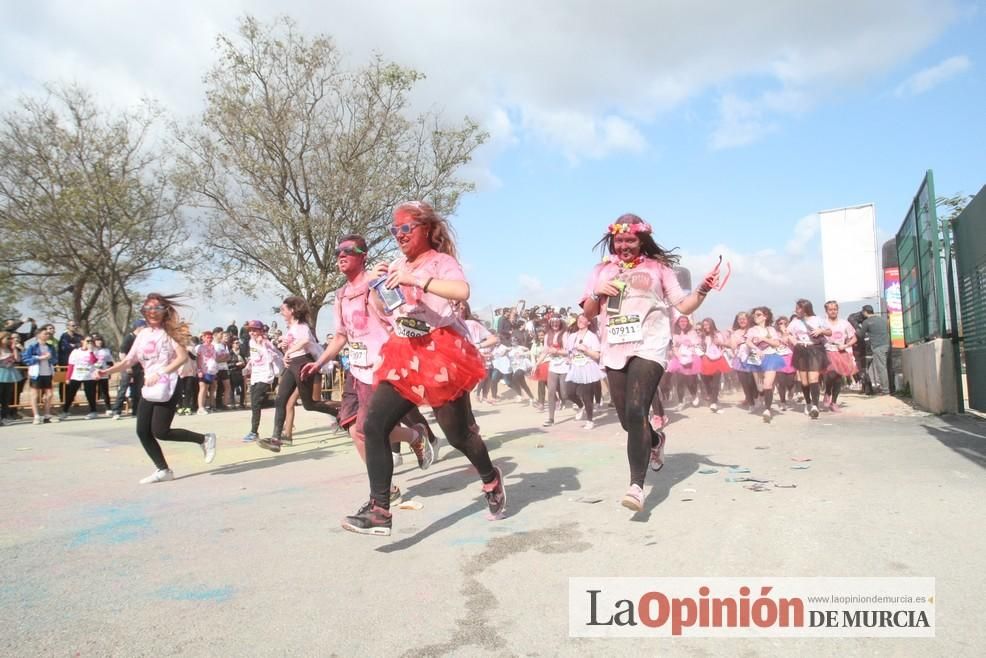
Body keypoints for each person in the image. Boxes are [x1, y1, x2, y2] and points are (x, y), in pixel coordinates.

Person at [340, 201, 504, 536]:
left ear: (426, 229)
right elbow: (391, 313)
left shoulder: (441, 262)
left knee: (457, 435)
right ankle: (380, 510)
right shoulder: (399, 264)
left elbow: (461, 291)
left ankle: (490, 478)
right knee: (373, 425)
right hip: (404, 354)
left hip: (441, 354)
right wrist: (381, 287)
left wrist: (416, 279)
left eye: (406, 228)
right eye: (394, 229)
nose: (399, 235)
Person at [582, 213, 720, 512]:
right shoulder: (601, 270)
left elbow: (683, 306)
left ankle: (636, 486)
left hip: (650, 345)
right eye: (619, 240)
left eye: (630, 239)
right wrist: (597, 292)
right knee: (628, 421)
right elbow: (589, 312)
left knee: (636, 410)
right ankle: (654, 440)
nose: (624, 245)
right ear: (613, 241)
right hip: (614, 348)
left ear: (641, 239)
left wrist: (704, 289)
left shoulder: (658, 268)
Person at [299, 235, 434, 471]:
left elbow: (399, 318)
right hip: (356, 370)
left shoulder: (378, 285)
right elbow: (341, 336)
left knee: (370, 428)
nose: (341, 255)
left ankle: (413, 439)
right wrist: (318, 363)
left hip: (381, 369)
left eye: (348, 250)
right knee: (355, 430)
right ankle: (388, 486)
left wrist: (374, 285)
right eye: (338, 251)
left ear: (363, 256)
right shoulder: (340, 295)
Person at [96, 294, 216, 484]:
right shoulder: (143, 334)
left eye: (157, 308)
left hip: (168, 385)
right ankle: (163, 470)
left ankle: (204, 439)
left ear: (164, 311)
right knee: (142, 431)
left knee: (161, 431)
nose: (152, 312)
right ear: (144, 311)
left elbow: (182, 357)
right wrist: (107, 372)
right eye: (148, 308)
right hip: (150, 388)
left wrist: (161, 373)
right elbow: (129, 360)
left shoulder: (169, 333)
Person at [257, 296, 340, 452]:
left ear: (293, 310)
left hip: (302, 363)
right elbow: (295, 344)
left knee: (309, 404)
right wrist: (284, 346)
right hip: (292, 365)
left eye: (284, 309)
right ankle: (276, 439)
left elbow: (305, 340)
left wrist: (289, 351)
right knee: (281, 399)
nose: (281, 312)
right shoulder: (291, 328)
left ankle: (341, 416)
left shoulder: (302, 325)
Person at [242, 320, 283, 442]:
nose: (252, 332)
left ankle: (254, 432)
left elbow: (273, 357)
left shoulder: (266, 343)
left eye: (255, 330)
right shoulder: (251, 342)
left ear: (261, 331)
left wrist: (264, 346)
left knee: (255, 403)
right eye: (250, 330)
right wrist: (248, 366)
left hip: (266, 375)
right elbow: (254, 358)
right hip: (255, 375)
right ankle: (281, 405)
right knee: (256, 403)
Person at [789, 299, 829, 419]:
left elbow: (829, 331)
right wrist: (795, 342)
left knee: (813, 378)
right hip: (801, 350)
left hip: (815, 349)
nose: (796, 310)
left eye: (798, 308)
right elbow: (788, 334)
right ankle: (808, 402)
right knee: (804, 381)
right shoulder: (795, 322)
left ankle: (815, 406)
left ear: (805, 308)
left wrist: (821, 330)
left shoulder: (817, 319)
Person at [744, 307, 786, 423]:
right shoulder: (752, 330)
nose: (755, 317)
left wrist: (764, 339)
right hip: (757, 358)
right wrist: (756, 348)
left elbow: (777, 343)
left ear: (765, 316)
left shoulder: (771, 330)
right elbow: (748, 342)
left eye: (758, 315)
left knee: (768, 384)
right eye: (754, 315)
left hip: (771, 357)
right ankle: (761, 396)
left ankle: (767, 410)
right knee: (760, 387)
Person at [821, 300, 857, 412]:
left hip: (841, 352)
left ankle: (834, 402)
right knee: (831, 374)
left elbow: (854, 338)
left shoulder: (845, 323)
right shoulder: (822, 323)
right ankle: (827, 391)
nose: (833, 311)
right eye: (830, 310)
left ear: (838, 310)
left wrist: (846, 345)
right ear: (826, 311)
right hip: (827, 350)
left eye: (835, 309)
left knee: (838, 378)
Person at [22, 325, 58, 424]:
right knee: (35, 395)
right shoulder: (32, 346)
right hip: (36, 373)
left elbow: (55, 359)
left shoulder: (50, 347)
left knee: (49, 394)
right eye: (45, 333)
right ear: (38, 335)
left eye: (48, 334)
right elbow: (26, 359)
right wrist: (39, 358)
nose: (47, 335)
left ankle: (47, 414)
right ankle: (36, 415)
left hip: (47, 372)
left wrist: (50, 358)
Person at [110, 320, 146, 419]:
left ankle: (136, 410)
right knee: (123, 388)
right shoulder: (129, 337)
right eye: (144, 327)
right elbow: (122, 353)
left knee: (138, 390)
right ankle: (116, 411)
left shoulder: (142, 339)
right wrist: (127, 366)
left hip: (139, 368)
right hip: (128, 367)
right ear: (138, 327)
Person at [61, 335, 99, 419]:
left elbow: (93, 361)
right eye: (87, 341)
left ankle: (93, 411)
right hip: (76, 375)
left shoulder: (94, 351)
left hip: (89, 376)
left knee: (90, 394)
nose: (89, 343)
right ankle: (65, 411)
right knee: (71, 394)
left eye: (91, 341)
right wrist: (68, 377)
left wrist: (90, 351)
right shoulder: (75, 352)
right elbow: (71, 365)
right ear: (82, 341)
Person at [697, 318, 730, 413]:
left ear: (712, 324)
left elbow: (725, 345)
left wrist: (720, 343)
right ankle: (711, 396)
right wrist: (702, 354)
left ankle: (714, 402)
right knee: (707, 381)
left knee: (716, 381)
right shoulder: (702, 336)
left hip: (718, 359)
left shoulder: (718, 334)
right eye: (704, 325)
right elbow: (697, 347)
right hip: (706, 359)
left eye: (708, 324)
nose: (706, 326)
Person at [860, 305, 890, 393]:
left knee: (881, 368)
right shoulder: (882, 319)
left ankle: (885, 390)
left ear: (865, 312)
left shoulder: (867, 322)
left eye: (863, 312)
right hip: (887, 345)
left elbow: (861, 335)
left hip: (878, 347)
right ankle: (891, 388)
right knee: (888, 367)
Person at [0, 331, 23, 424]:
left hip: (9, 374)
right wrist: (6, 357)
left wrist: (14, 349)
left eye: (10, 338)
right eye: (8, 338)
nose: (10, 340)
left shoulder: (10, 349)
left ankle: (4, 417)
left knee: (6, 397)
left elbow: (17, 359)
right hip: (1, 372)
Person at [91, 335, 114, 413]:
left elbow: (110, 362)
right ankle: (93, 409)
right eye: (97, 340)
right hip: (93, 373)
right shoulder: (92, 350)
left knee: (105, 391)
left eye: (100, 340)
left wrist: (109, 371)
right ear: (94, 342)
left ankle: (108, 408)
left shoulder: (106, 350)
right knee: (92, 391)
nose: (99, 342)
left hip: (103, 373)